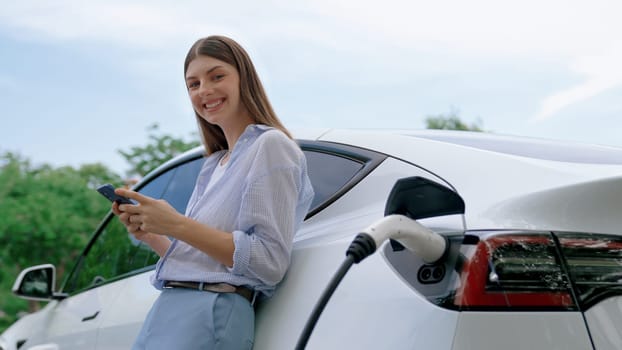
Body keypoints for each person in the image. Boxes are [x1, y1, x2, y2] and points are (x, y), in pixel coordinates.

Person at [111, 35, 314, 350]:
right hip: (170, 308)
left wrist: (176, 224)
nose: (204, 90)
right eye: (193, 84)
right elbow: (202, 260)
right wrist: (152, 234)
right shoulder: (215, 164)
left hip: (211, 313)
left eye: (217, 76)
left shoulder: (271, 146)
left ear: (244, 79)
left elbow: (268, 262)